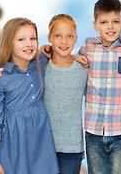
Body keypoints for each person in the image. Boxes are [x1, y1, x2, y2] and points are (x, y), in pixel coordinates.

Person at [0, 17, 59, 174]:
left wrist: (76, 58)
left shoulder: (40, 61)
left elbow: (60, 51)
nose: (29, 44)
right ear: (8, 44)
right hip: (12, 150)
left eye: (33, 38)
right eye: (21, 39)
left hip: (40, 144)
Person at [76, 0, 121, 174]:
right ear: (95, 25)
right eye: (104, 22)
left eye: (115, 21)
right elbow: (71, 63)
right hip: (93, 132)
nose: (110, 27)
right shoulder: (88, 46)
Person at [43, 14, 88, 174]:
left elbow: (98, 95)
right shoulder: (42, 69)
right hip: (43, 145)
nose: (64, 41)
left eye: (69, 36)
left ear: (76, 38)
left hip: (72, 147)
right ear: (49, 38)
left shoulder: (83, 69)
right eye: (57, 36)